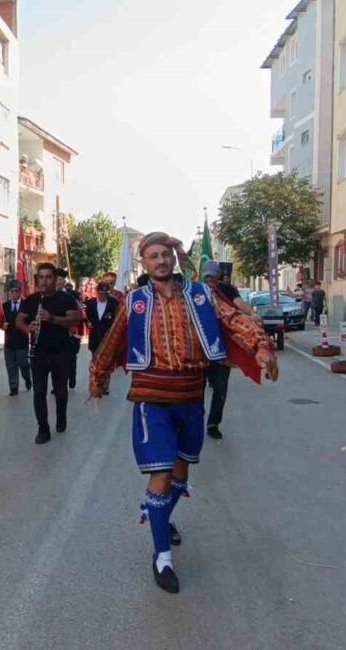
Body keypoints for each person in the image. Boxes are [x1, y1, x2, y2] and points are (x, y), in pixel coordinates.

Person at [88, 232, 277, 594]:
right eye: (152, 256)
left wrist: (261, 347)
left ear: (173, 258)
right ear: (143, 263)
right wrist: (98, 378)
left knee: (180, 473)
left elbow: (236, 320)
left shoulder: (201, 295)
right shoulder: (136, 301)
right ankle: (162, 556)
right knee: (160, 476)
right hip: (151, 397)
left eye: (165, 255)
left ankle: (158, 513)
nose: (160, 261)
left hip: (191, 394)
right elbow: (111, 341)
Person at [15, 263, 81, 444]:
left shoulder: (65, 298)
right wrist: (27, 328)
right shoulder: (32, 299)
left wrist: (52, 318)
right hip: (38, 354)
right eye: (41, 277)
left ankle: (61, 418)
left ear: (54, 278)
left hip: (61, 353)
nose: (45, 281)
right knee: (39, 393)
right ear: (38, 280)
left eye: (49, 277)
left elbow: (74, 319)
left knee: (60, 392)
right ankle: (42, 428)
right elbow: (19, 320)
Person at [200, 261, 237, 440]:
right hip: (199, 350)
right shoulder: (196, 291)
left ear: (218, 276)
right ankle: (195, 420)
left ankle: (213, 423)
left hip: (222, 349)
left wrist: (251, 313)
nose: (209, 280)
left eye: (212, 276)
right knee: (197, 387)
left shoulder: (228, 291)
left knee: (220, 388)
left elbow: (239, 304)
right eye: (206, 276)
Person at [0, 280, 32, 396]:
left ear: (20, 292)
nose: (14, 293)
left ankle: (27, 378)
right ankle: (14, 387)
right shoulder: (5, 306)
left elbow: (30, 322)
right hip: (9, 341)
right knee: (11, 366)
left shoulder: (26, 305)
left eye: (16, 291)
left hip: (21, 341)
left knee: (23, 363)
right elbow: (0, 322)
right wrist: (2, 326)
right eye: (12, 291)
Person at [84, 278, 119, 396]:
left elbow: (117, 319)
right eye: (100, 293)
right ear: (97, 292)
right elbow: (86, 317)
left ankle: (105, 386)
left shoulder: (114, 303)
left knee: (106, 363)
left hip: (108, 339)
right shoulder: (90, 303)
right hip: (94, 337)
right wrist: (87, 323)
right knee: (95, 362)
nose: (102, 296)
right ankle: (95, 384)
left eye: (105, 294)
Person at [55, 268, 82, 391]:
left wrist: (77, 333)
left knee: (70, 359)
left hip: (70, 333)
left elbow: (80, 315)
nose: (58, 282)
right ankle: (58, 385)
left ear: (64, 281)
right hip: (54, 334)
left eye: (60, 279)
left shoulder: (72, 296)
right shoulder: (48, 295)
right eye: (56, 279)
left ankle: (71, 376)